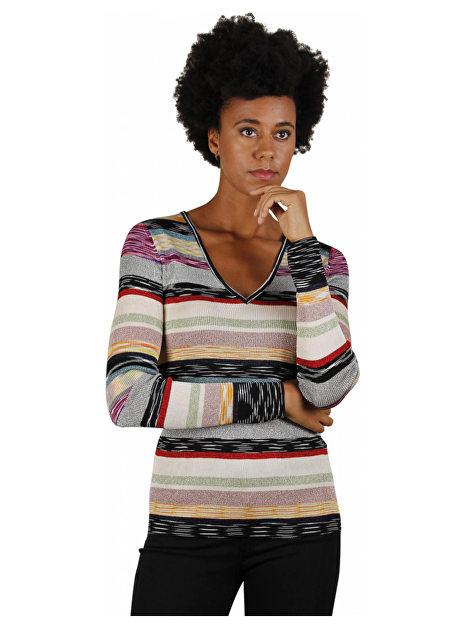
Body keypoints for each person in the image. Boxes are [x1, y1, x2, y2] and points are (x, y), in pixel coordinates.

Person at [106, 12, 360, 616]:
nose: (267, 150)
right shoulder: (157, 245)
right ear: (214, 137)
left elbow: (329, 386)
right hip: (186, 527)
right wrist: (277, 400)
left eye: (282, 133)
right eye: (248, 130)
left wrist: (303, 250)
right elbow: (128, 399)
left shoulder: (323, 261)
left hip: (302, 526)